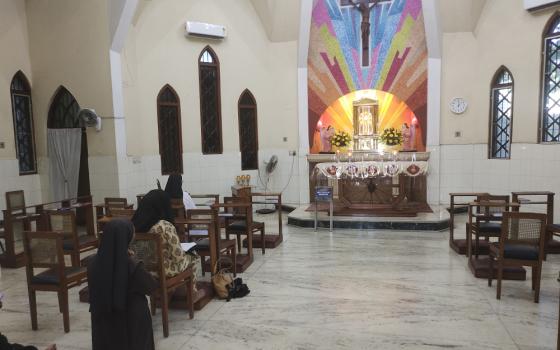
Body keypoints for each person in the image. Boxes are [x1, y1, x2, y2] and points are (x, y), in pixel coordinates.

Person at [88, 219, 158, 350]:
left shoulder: (92, 263)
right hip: (131, 322)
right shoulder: (132, 265)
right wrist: (133, 258)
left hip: (103, 323)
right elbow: (151, 287)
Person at [131, 189, 199, 282]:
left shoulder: (133, 226)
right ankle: (190, 292)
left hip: (141, 270)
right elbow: (178, 256)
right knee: (193, 256)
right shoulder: (164, 226)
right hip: (164, 271)